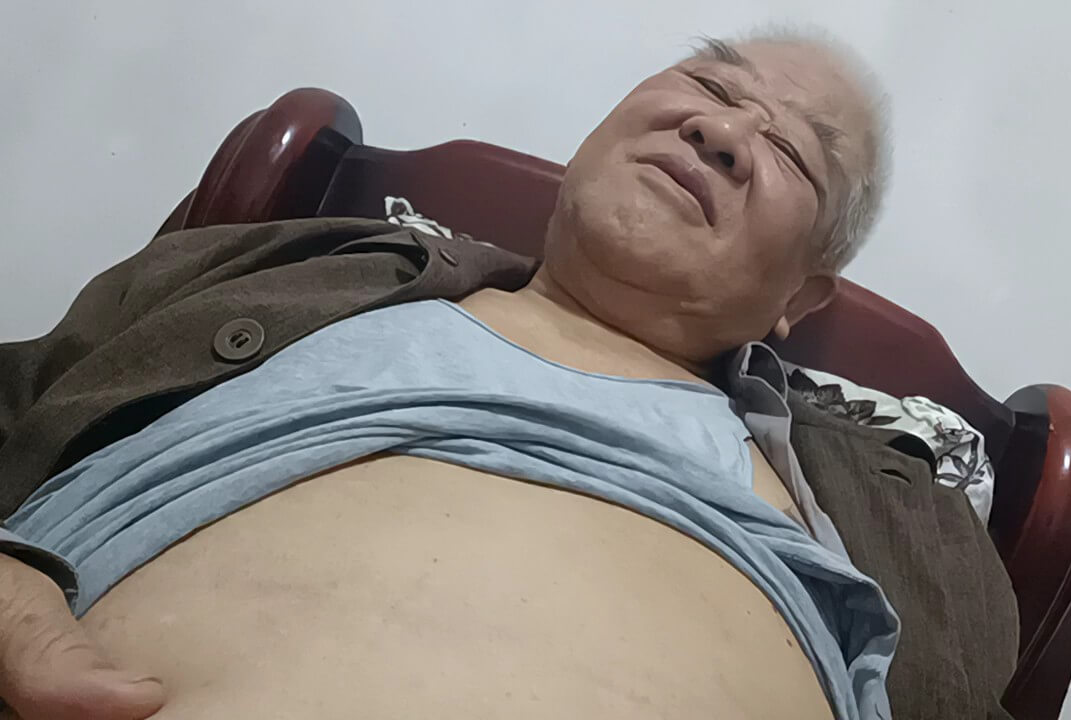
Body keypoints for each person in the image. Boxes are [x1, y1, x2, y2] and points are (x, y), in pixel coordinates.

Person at [0, 28, 1018, 720]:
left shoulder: (903, 516)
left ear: (803, 295)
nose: (721, 132)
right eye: (712, 86)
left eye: (794, 152)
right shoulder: (275, 268)